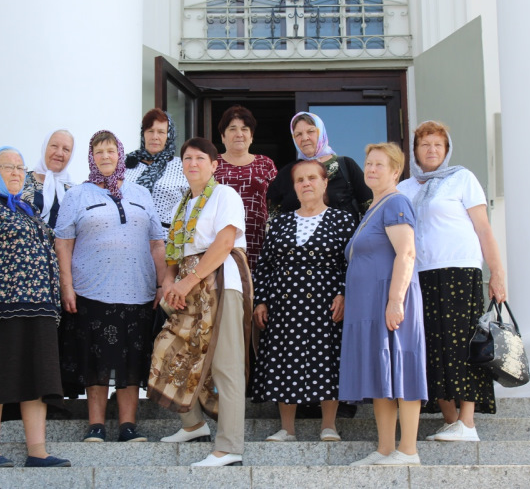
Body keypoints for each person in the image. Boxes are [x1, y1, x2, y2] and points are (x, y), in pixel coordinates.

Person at [0, 146, 70, 468]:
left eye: (20, 168)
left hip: (39, 307)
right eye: (8, 167)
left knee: (37, 379)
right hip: (1, 307)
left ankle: (38, 451)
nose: (16, 173)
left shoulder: (28, 209)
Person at [55, 130, 166, 443]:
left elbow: (157, 243)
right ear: (92, 157)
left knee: (132, 360)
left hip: (139, 291)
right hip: (92, 290)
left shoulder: (141, 193)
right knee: (96, 360)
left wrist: (162, 282)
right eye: (98, 152)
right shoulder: (77, 194)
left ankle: (128, 426)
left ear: (120, 155)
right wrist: (67, 285)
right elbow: (62, 243)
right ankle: (96, 426)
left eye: (111, 151)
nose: (105, 157)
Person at [397, 120, 505, 441]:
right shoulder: (405, 188)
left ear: (446, 150)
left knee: (461, 344)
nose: (431, 150)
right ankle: (450, 418)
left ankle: (467, 423)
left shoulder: (462, 179)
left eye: (438, 145)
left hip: (459, 270)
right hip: (419, 276)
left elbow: (483, 228)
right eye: (424, 144)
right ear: (415, 151)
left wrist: (497, 273)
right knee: (430, 345)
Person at [149, 137, 252, 467]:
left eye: (199, 158)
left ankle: (229, 446)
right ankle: (193, 425)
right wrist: (168, 282)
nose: (192, 163)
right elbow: (173, 252)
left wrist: (188, 281)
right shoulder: (184, 204)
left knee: (225, 364)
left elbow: (224, 242)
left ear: (214, 164)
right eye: (187, 159)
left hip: (219, 284)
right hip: (186, 287)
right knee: (168, 352)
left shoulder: (224, 195)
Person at [251, 160, 356, 442]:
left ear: (324, 183)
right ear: (294, 187)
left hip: (326, 302)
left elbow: (354, 263)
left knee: (327, 357)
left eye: (312, 178)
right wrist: (260, 301)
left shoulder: (343, 220)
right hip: (283, 302)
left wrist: (345, 293)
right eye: (300, 180)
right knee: (284, 358)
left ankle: (329, 426)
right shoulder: (281, 221)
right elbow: (265, 265)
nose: (306, 184)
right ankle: (287, 428)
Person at [340, 142, 427, 466]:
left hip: (389, 300)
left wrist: (395, 301)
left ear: (395, 171)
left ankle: (408, 450)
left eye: (380, 164)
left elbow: (406, 253)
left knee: (401, 369)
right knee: (380, 373)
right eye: (369, 163)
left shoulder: (396, 202)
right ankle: (385, 448)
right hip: (367, 305)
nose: (372, 169)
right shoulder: (372, 209)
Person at [267, 111, 371, 221]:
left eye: (310, 131)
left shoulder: (346, 166)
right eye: (298, 134)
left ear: (321, 132)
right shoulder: (287, 173)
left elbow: (371, 210)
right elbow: (273, 219)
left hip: (345, 237)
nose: (304, 138)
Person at [213, 105, 277, 269]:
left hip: (257, 239)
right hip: (218, 239)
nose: (239, 134)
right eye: (232, 129)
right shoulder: (212, 164)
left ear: (251, 136)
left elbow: (275, 202)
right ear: (223, 136)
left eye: (245, 129)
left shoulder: (265, 163)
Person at [124, 109, 186, 239]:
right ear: (143, 134)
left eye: (161, 132)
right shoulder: (125, 163)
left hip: (167, 241)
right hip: (128, 238)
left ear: (169, 136)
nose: (155, 137)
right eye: (150, 131)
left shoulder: (182, 166)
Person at [21, 129, 75, 228]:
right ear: (44, 147)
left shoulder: (74, 193)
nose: (59, 153)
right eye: (54, 146)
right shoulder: (21, 182)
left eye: (66, 149)